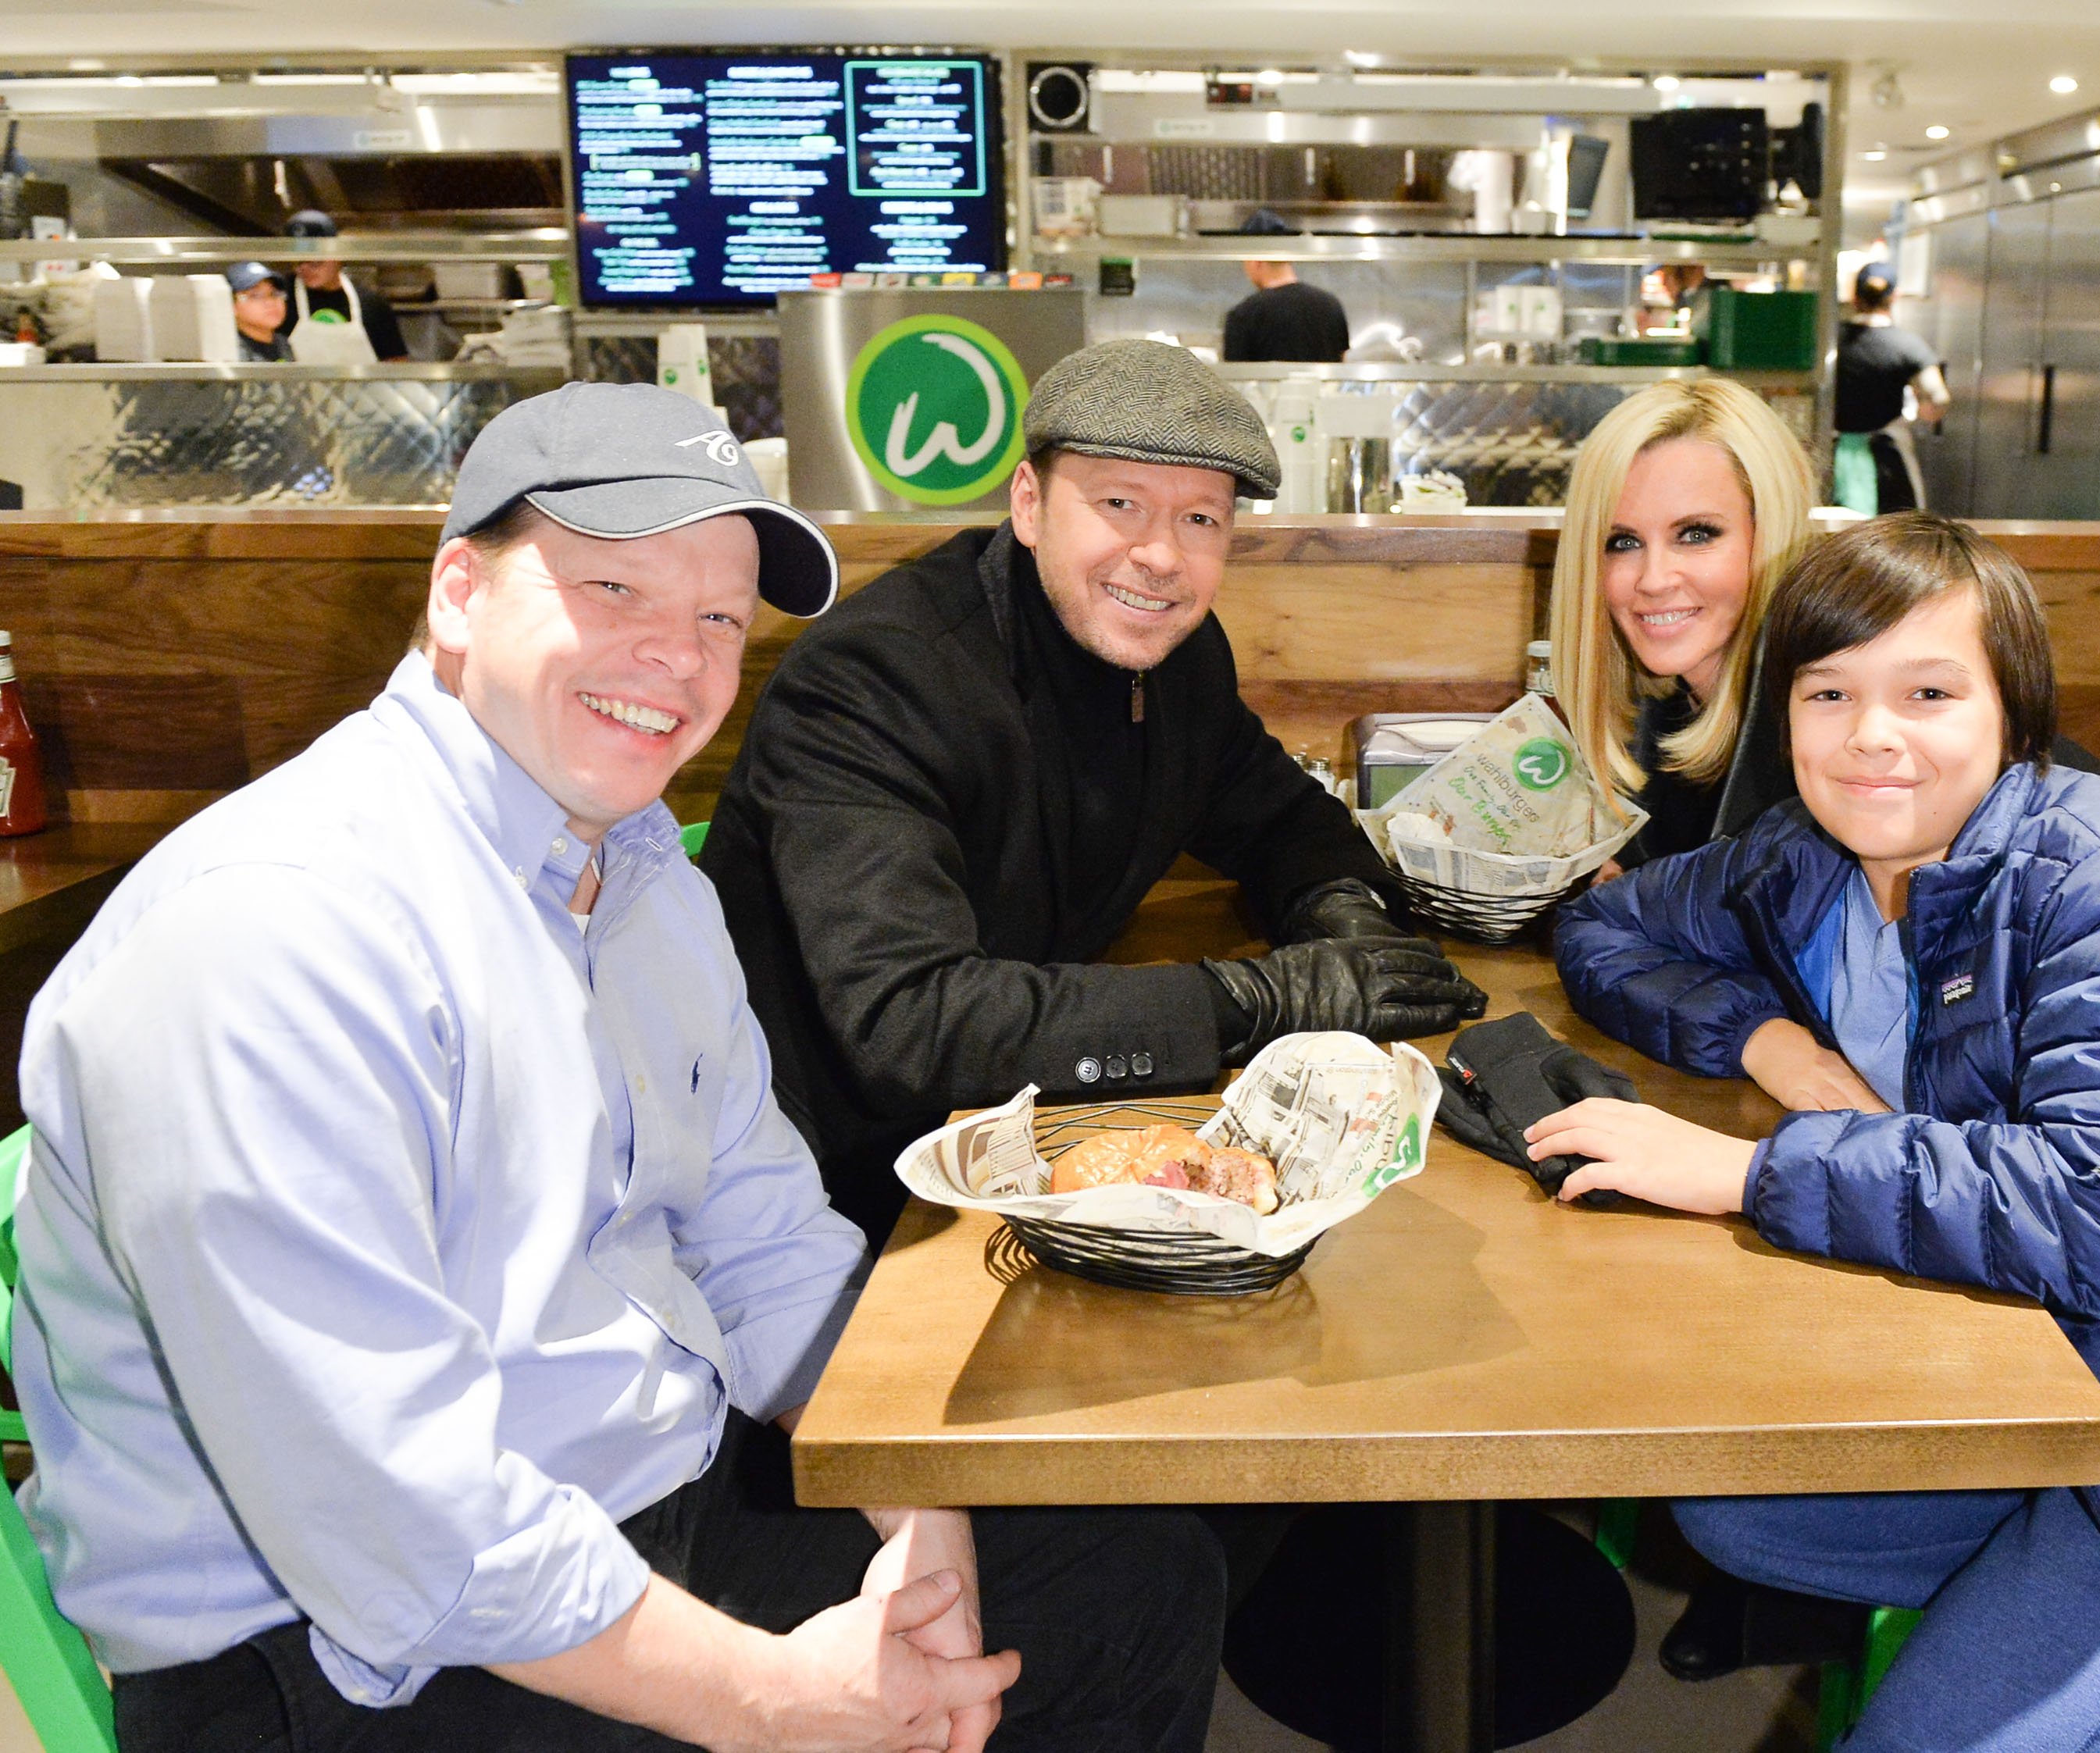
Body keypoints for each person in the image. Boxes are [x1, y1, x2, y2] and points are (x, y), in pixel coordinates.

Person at [12, 380, 1225, 1753]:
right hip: (336, 1653)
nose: (678, 655)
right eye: (614, 589)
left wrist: (922, 1542)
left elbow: (764, 1238)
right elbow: (399, 1517)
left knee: (1137, 1580)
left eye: (717, 616)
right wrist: (778, 1705)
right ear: (460, 594)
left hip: (637, 1499)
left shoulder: (640, 874)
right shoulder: (267, 934)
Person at [1534, 511, 2100, 1753]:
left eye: (1928, 691)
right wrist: (1768, 1044)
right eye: (1828, 693)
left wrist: (1753, 1170)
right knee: (1736, 1512)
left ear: (2013, 717)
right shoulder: (1799, 860)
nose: (1871, 737)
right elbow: (1604, 933)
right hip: (2040, 1352)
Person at [701, 338, 1482, 1245]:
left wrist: (1342, 909)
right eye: (1120, 504)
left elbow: (1275, 813)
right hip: (825, 1185)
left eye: (1202, 521)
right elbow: (912, 1023)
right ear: (1028, 504)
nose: (1160, 556)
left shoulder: (1177, 656)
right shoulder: (874, 680)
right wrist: (1254, 999)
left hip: (1016, 1138)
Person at [1548, 378, 1816, 871]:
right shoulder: (1662, 712)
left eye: (1696, 535)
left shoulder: (1815, 733)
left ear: (1769, 533)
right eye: (1622, 542)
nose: (1653, 580)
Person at [1832, 259, 1948, 515]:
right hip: (1886, 459)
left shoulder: (1831, 343)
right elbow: (1938, 397)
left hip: (1830, 454)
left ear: (1855, 297)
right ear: (1894, 297)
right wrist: (1917, 417)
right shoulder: (1907, 345)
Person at [276, 206, 410, 362]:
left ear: (337, 254)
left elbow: (396, 362)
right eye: (298, 261)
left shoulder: (372, 304)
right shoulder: (279, 297)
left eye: (314, 260)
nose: (304, 268)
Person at [1221, 212, 1349, 364]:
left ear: (1255, 260)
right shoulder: (1331, 305)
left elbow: (1234, 380)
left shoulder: (1243, 315)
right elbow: (1341, 366)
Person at [225, 259, 290, 362]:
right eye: (255, 296)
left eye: (274, 294)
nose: (270, 303)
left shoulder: (285, 345)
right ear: (232, 306)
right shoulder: (229, 354)